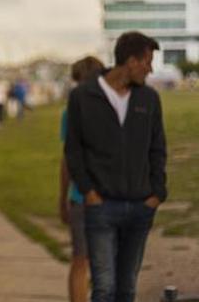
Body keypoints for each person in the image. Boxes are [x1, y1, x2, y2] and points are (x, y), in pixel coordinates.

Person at [65, 31, 167, 302]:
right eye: (147, 61)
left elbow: (158, 150)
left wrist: (157, 193)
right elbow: (73, 151)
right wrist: (88, 192)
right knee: (104, 288)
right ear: (131, 61)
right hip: (101, 208)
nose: (150, 68)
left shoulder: (149, 99)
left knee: (126, 289)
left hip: (140, 207)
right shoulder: (82, 97)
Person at [59, 56, 105, 302]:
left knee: (80, 261)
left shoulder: (70, 112)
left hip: (79, 197)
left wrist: (62, 197)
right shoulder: (113, 109)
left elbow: (67, 160)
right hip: (109, 196)